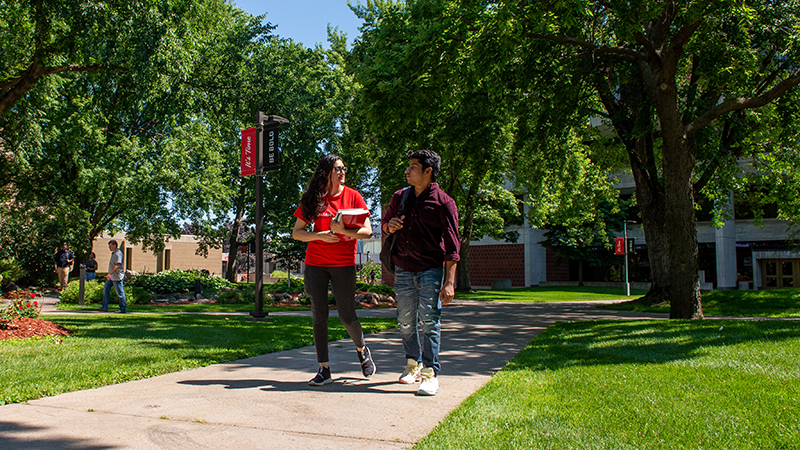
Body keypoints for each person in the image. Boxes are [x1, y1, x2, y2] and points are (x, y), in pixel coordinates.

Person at [292, 154, 376, 386]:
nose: (342, 172)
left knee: (347, 314)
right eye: (337, 169)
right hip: (316, 263)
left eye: (343, 168)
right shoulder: (314, 199)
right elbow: (297, 232)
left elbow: (368, 231)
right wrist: (318, 235)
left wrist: (343, 232)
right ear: (326, 172)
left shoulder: (353, 196)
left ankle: (361, 349)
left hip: (343, 264)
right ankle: (324, 369)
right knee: (319, 314)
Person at [381, 150, 460, 396]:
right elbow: (384, 224)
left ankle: (430, 373)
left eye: (413, 167)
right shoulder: (400, 197)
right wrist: (389, 226)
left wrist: (449, 282)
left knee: (429, 321)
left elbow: (453, 246)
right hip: (403, 269)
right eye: (409, 166)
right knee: (405, 322)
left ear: (428, 171)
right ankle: (412, 364)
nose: (407, 170)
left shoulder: (443, 202)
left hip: (430, 269)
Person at [99, 240, 126, 313]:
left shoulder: (118, 254)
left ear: (114, 245)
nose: (109, 247)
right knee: (105, 290)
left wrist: (109, 273)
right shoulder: (113, 253)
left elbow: (118, 264)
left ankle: (122, 309)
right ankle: (104, 307)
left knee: (120, 293)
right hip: (111, 277)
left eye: (110, 246)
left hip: (117, 276)